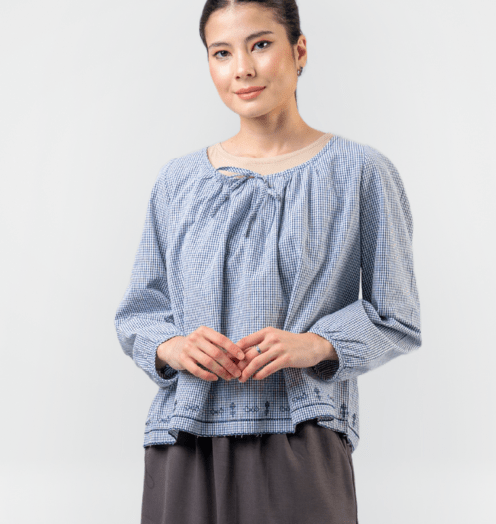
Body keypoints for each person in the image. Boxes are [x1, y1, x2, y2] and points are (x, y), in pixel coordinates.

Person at [114, 1, 422, 523]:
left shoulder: (360, 172)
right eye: (222, 53)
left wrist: (316, 344)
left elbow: (397, 318)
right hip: (184, 437)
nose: (242, 69)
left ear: (299, 51)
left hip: (299, 435)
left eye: (260, 45)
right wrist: (174, 346)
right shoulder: (178, 181)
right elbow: (138, 313)